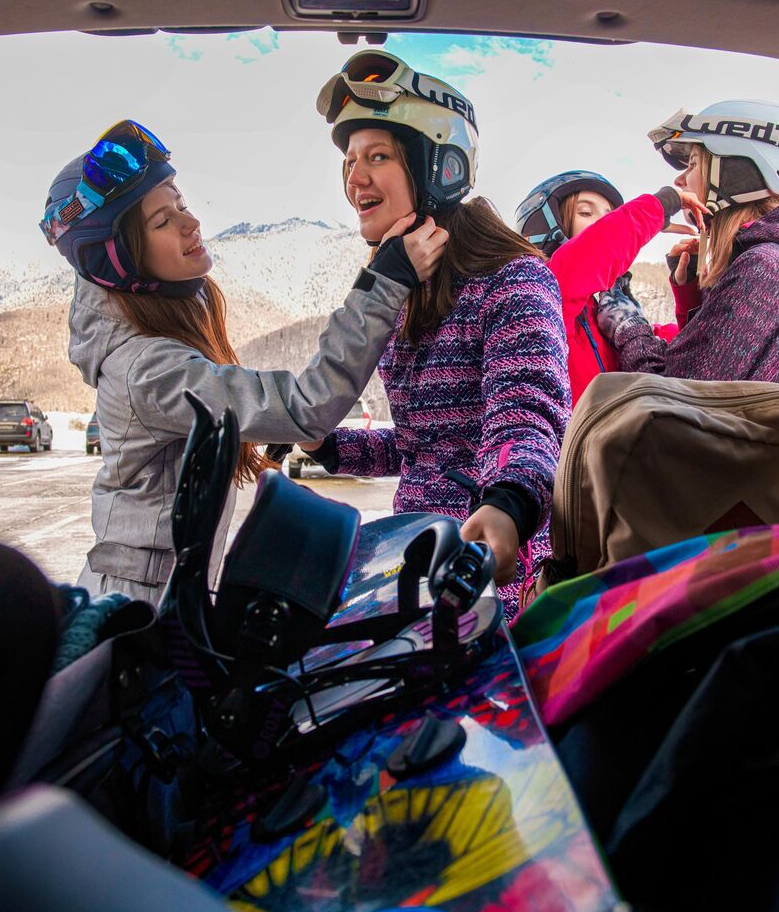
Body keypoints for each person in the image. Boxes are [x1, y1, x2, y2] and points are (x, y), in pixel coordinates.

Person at [42, 119, 448, 602]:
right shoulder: (146, 370)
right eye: (162, 221)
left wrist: (277, 434)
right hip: (135, 611)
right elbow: (307, 405)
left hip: (163, 593)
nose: (191, 224)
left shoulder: (161, 337)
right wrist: (385, 282)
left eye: (181, 205)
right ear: (119, 260)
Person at [297, 51, 569, 621]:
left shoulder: (512, 279)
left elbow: (527, 412)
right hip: (411, 553)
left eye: (377, 156)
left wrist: (509, 502)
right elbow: (423, 447)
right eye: (349, 161)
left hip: (480, 566)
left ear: (439, 167)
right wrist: (330, 446)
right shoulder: (405, 289)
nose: (355, 178)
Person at [592, 100, 779, 388]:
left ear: (735, 173)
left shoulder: (766, 269)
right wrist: (693, 295)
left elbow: (671, 397)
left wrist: (628, 325)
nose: (679, 179)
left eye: (693, 163)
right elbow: (716, 377)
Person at [516, 170, 708, 403]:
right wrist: (659, 206)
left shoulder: (613, 320)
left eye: (609, 215)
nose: (601, 222)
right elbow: (590, 252)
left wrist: (688, 287)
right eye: (585, 212)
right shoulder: (542, 294)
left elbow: (687, 350)